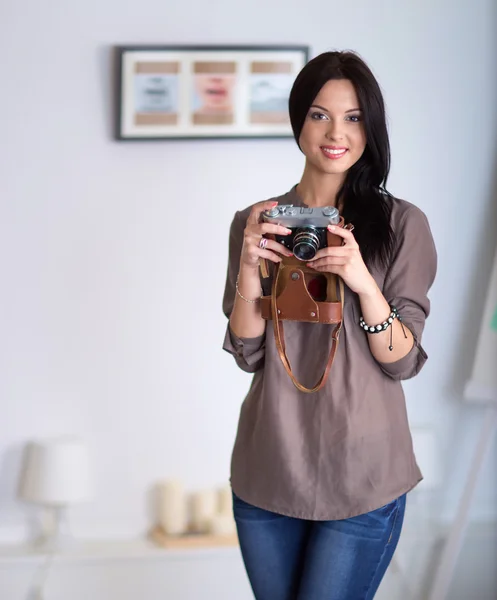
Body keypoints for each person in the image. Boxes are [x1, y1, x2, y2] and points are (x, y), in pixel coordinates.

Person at [222, 50, 437, 600]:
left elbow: (403, 359)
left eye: (354, 116)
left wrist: (362, 280)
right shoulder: (259, 221)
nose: (336, 132)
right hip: (270, 465)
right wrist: (252, 264)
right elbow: (248, 350)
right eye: (319, 114)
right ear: (298, 122)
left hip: (363, 473)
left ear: (372, 126)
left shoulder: (401, 225)